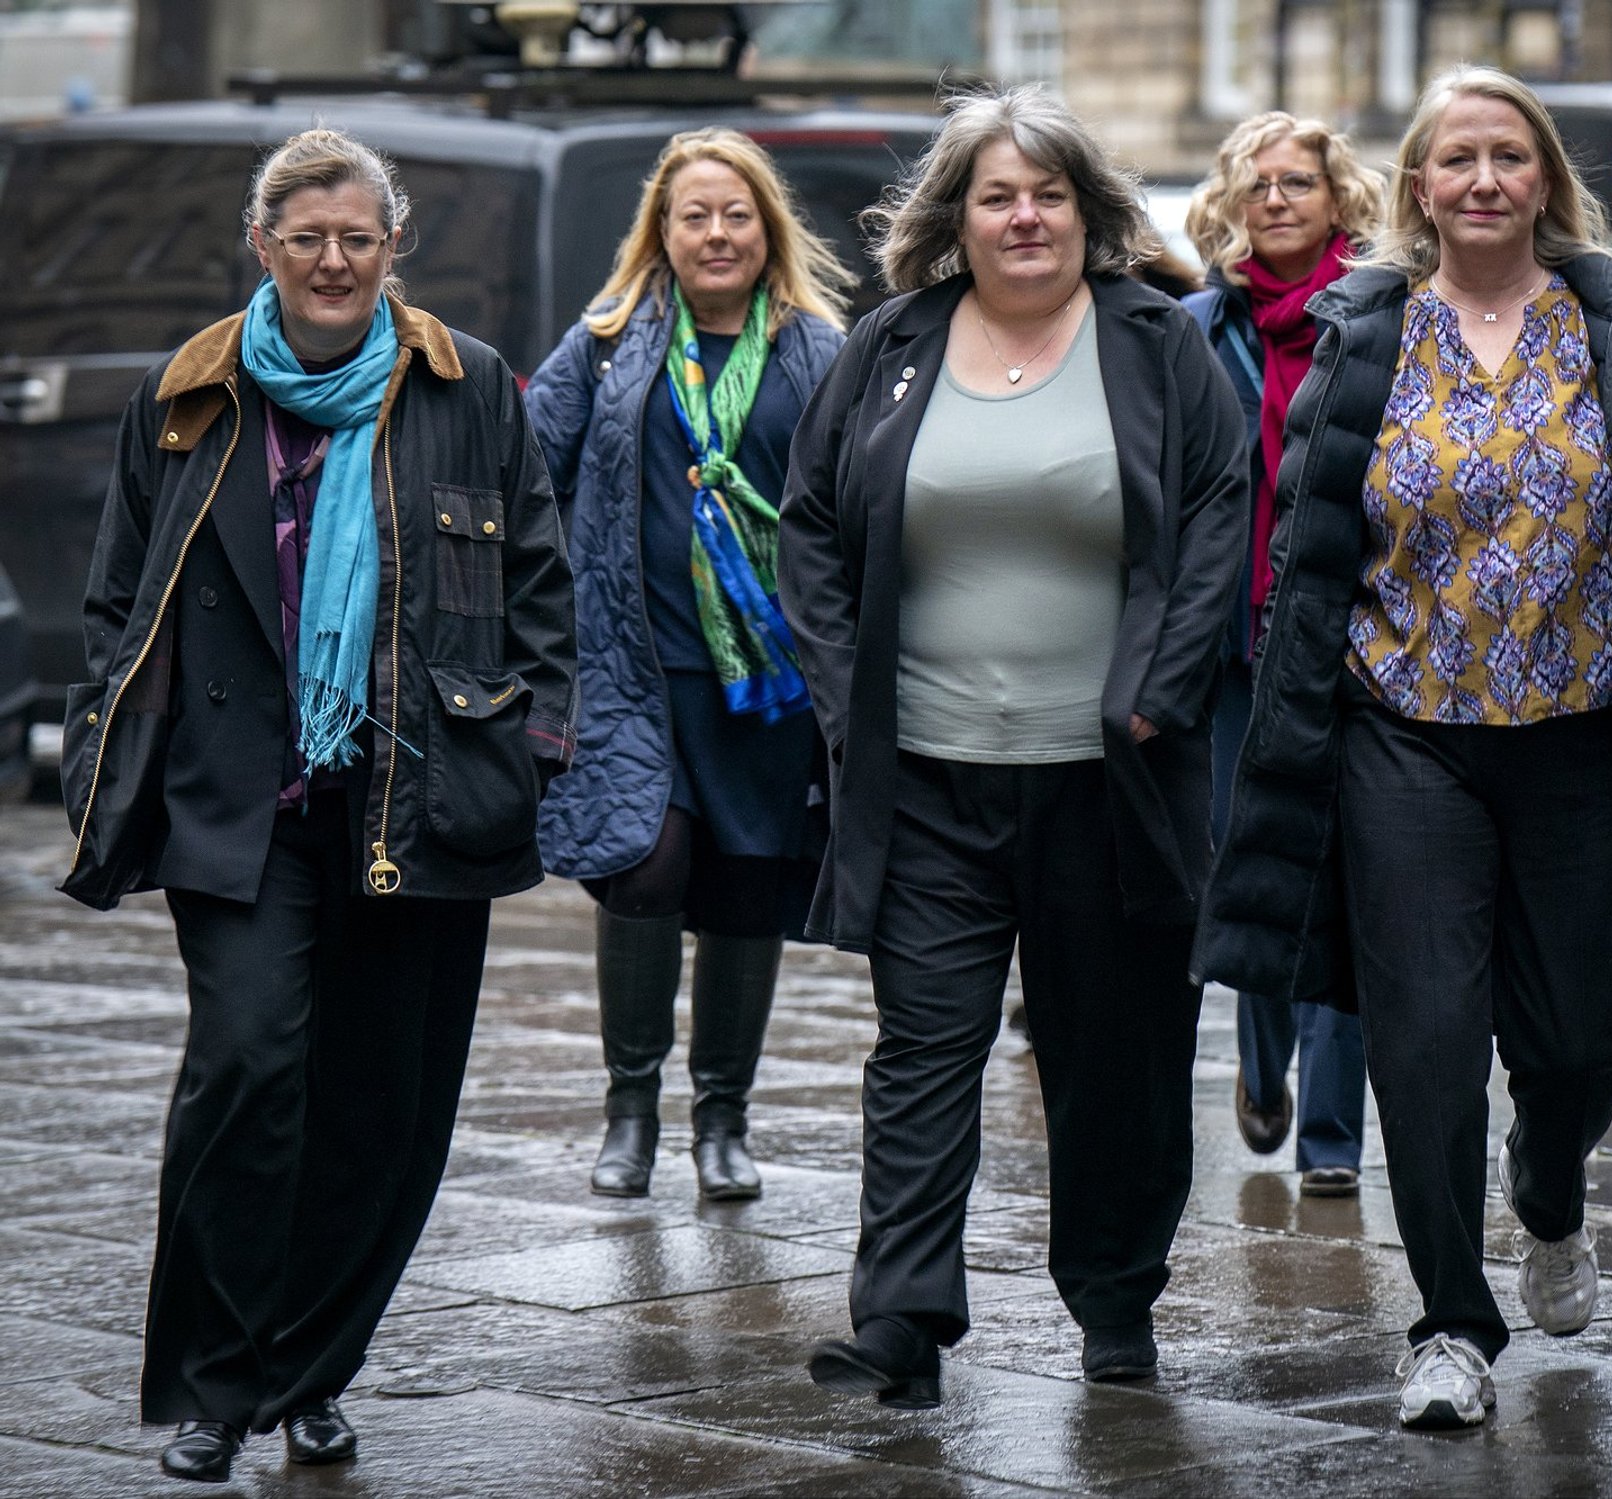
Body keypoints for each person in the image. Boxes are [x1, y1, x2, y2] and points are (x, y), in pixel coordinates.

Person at [1194, 65, 1612, 1431]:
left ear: (1546, 178)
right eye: (1456, 159)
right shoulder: (1364, 333)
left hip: (1578, 741)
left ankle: (1547, 1191)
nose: (1483, 180)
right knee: (1423, 1034)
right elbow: (1306, 535)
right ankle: (1446, 1319)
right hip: (1404, 739)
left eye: (1509, 156)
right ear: (1419, 187)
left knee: (1573, 1040)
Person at [60, 128, 576, 1482]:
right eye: (308, 237)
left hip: (419, 795)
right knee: (247, 1070)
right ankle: (218, 1387)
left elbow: (541, 589)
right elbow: (117, 597)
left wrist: (536, 747)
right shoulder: (188, 397)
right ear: (265, 248)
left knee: (381, 1104)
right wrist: (114, 747)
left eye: (358, 236)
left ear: (392, 246)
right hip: (238, 803)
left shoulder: (472, 389)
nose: (334, 258)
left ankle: (313, 1369)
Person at [779, 85, 1247, 1407]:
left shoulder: (1158, 344)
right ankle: (902, 1320)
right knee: (925, 1045)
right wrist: (839, 690)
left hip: (1113, 778)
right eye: (997, 194)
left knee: (1115, 1054)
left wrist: (1164, 676)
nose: (1023, 215)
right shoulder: (890, 346)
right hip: (926, 776)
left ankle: (1114, 1295)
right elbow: (811, 525)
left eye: (1047, 192)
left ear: (1090, 211)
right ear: (958, 217)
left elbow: (1218, 511)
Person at [526, 129, 850, 1203]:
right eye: (692, 215)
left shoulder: (818, 350)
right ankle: (630, 1112)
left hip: (765, 683)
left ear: (768, 230)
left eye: (735, 214)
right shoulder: (611, 340)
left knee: (746, 895)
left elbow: (857, 505)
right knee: (645, 869)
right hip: (635, 668)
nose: (715, 233)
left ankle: (723, 1116)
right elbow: (529, 465)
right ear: (659, 234)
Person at [1183, 110, 1384, 1197]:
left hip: (1346, 637)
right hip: (1230, 644)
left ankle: (1330, 1136)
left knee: (1341, 877)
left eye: (1296, 180)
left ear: (1334, 195)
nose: (1275, 198)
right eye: (1255, 183)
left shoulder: (1379, 317)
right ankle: (1261, 1065)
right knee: (1239, 862)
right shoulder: (1198, 324)